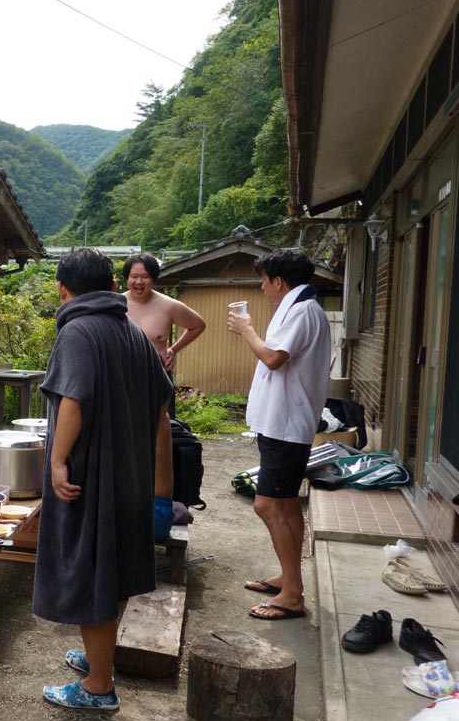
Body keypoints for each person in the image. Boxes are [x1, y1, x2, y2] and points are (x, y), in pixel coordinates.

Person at [34, 248, 172, 710]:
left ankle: (99, 687)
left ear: (62, 290)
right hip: (126, 474)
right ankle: (97, 661)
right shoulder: (129, 330)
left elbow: (72, 402)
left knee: (90, 571)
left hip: (88, 477)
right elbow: (160, 399)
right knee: (107, 571)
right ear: (113, 286)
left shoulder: (77, 331)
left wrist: (56, 462)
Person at [227, 249, 331, 621]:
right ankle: (289, 580)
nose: (261, 287)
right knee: (285, 504)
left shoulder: (302, 310)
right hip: (284, 423)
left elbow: (273, 357)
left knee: (267, 505)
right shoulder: (300, 306)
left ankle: (292, 596)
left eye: (263, 280)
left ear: (278, 281)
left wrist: (246, 330)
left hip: (287, 425)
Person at [123, 252, 206, 382]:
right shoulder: (116, 305)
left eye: (145, 276)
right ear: (127, 278)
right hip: (123, 379)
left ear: (154, 278)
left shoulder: (168, 305)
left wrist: (173, 350)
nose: (139, 281)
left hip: (158, 378)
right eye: (134, 276)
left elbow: (198, 325)